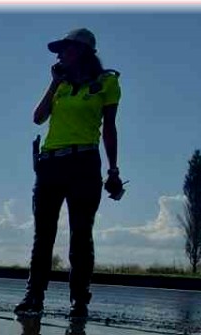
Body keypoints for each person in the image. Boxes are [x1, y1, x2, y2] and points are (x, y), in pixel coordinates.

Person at [16, 28, 125, 319]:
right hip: (50, 163)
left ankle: (79, 301)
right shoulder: (60, 86)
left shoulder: (107, 83)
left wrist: (113, 170)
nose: (59, 54)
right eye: (59, 50)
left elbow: (110, 129)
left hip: (84, 163)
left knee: (80, 235)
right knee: (44, 235)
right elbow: (38, 118)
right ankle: (34, 296)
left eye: (65, 49)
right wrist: (53, 83)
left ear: (83, 52)